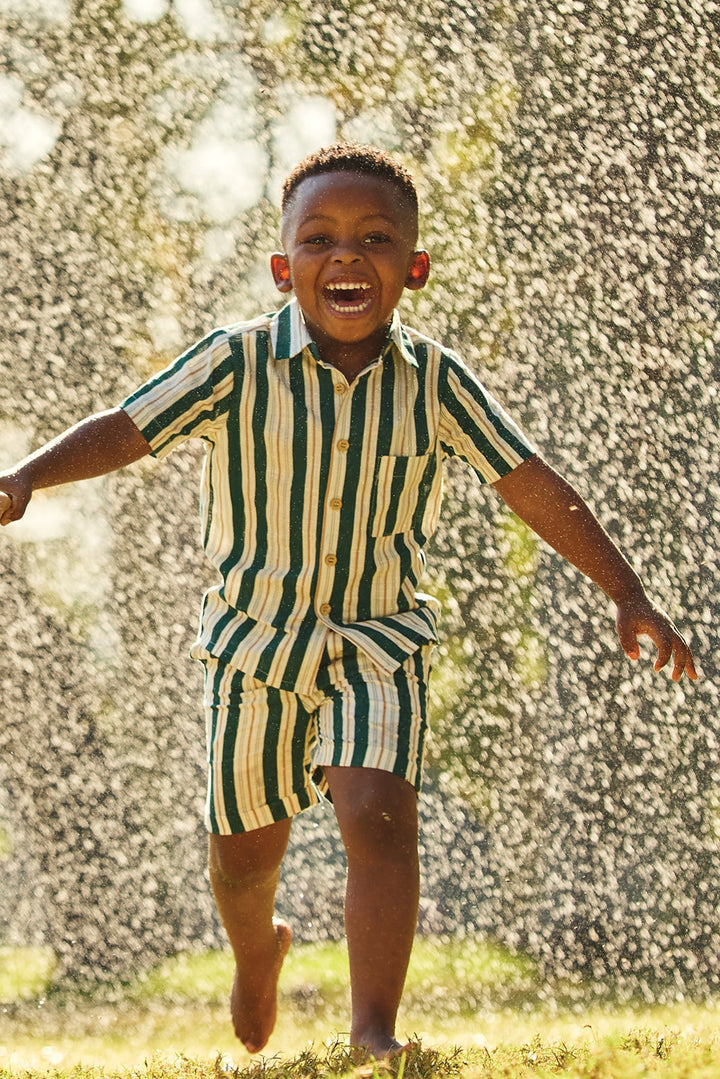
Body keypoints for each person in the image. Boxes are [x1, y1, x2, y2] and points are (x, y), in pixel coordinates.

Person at [0, 144, 697, 1059]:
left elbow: (529, 482)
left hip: (380, 641)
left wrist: (627, 590)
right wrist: (25, 477)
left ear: (415, 267)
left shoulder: (436, 381)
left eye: (376, 238)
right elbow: (127, 429)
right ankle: (259, 954)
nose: (347, 256)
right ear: (284, 267)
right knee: (245, 857)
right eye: (320, 238)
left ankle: (373, 1032)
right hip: (252, 648)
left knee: (377, 813)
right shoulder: (233, 363)